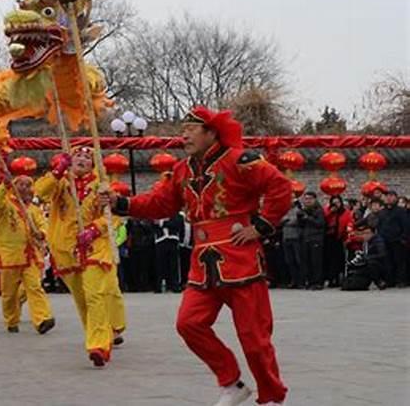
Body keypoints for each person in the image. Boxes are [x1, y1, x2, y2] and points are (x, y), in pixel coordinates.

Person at [101, 106, 291, 406]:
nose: (184, 134)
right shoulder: (181, 170)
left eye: (191, 128)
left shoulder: (240, 160)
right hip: (203, 262)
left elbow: (279, 186)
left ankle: (272, 396)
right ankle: (231, 381)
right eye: (183, 128)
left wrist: (261, 226)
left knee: (254, 339)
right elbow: (160, 203)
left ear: (211, 133)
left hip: (240, 258)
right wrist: (122, 203)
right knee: (188, 323)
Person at [34, 146, 126, 368]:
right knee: (82, 299)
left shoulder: (103, 186)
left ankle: (99, 346)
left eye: (88, 157)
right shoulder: (61, 183)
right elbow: (39, 193)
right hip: (66, 249)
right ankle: (98, 336)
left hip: (95, 247)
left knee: (95, 294)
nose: (82, 159)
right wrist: (57, 171)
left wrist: (95, 229)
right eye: (78, 155)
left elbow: (114, 217)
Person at [0, 175, 55, 334]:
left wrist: (42, 233)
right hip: (9, 255)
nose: (25, 188)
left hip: (30, 255)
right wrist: (3, 186)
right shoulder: (5, 204)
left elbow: (43, 224)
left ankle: (42, 319)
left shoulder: (33, 209)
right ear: (14, 186)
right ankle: (11, 320)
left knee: (35, 287)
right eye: (21, 184)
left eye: (28, 185)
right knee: (9, 293)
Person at [378, 190, 409, 287]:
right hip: (385, 240)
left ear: (396, 198)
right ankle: (390, 280)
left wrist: (403, 238)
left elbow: (406, 225)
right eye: (387, 196)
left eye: (391, 196)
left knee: (399, 261)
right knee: (387, 261)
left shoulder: (401, 211)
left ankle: (401, 280)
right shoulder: (382, 212)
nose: (389, 198)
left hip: (398, 240)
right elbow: (380, 225)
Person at [298, 192, 326, 290]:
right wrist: (300, 218)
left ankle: (317, 282)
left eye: (310, 199)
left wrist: (308, 218)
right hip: (306, 239)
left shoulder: (318, 210)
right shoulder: (304, 210)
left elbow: (320, 224)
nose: (308, 201)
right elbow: (301, 225)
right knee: (307, 261)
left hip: (316, 239)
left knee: (316, 262)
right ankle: (309, 281)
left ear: (314, 199)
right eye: (306, 199)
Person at [323, 195, 352, 287]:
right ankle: (331, 279)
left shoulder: (346, 212)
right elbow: (323, 221)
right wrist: (330, 212)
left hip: (340, 238)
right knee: (329, 259)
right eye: (334, 203)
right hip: (328, 238)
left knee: (339, 260)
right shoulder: (327, 211)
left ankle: (339, 278)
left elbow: (349, 223)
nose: (336, 205)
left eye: (338, 202)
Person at [155, 213, 184, 293]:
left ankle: (175, 285)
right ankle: (159, 285)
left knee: (174, 264)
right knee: (160, 265)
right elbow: (153, 225)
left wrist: (162, 223)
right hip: (160, 241)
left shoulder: (177, 215)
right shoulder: (156, 214)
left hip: (172, 240)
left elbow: (177, 225)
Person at [280, 200, 303, 288]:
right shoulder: (284, 211)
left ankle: (301, 281)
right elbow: (279, 221)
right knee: (289, 261)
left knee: (298, 260)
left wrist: (286, 221)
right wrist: (285, 220)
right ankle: (293, 280)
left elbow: (295, 221)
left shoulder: (298, 211)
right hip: (286, 237)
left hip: (296, 237)